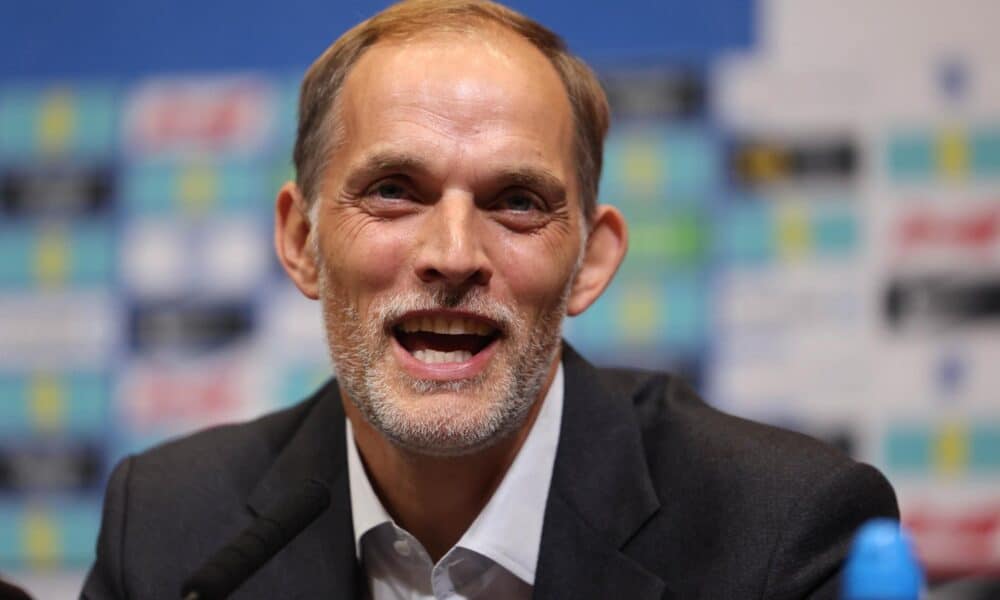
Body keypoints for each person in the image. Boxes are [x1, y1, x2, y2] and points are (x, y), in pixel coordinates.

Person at [82, 1, 898, 598]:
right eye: (395, 191)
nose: (453, 255)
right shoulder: (164, 527)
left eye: (516, 202)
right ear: (301, 243)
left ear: (589, 262)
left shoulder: (783, 530)